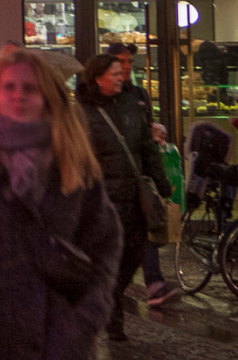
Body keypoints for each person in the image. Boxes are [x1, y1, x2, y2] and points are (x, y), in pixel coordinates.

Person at [0, 47, 120, 360]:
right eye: (9, 87)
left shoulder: (73, 164)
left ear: (46, 96)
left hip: (62, 338)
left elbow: (104, 245)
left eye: (29, 88)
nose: (18, 95)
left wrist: (87, 317)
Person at [78, 51, 172, 334]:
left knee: (134, 253)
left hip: (133, 194)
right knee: (110, 255)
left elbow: (146, 146)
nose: (122, 77)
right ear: (98, 78)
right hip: (103, 197)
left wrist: (161, 181)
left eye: (122, 73)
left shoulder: (133, 105)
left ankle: (112, 296)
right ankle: (114, 315)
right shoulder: (83, 113)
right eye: (115, 74)